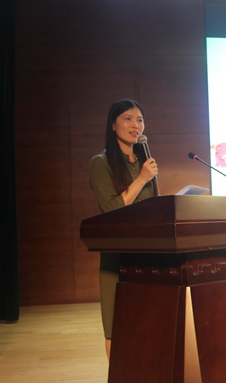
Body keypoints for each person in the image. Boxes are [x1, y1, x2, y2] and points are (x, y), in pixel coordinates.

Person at [89, 99, 158, 359]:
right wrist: (142, 179)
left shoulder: (144, 162)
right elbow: (111, 208)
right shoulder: (101, 162)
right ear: (113, 124)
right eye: (128, 119)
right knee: (116, 324)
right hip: (119, 252)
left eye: (139, 119)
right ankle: (120, 378)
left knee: (147, 319)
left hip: (148, 251)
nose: (135, 125)